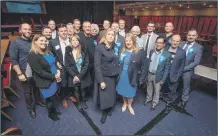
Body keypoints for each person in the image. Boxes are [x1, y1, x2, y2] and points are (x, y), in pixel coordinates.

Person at [9, 23, 44, 118]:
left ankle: (37, 101)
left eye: (29, 29)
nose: (28, 31)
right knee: (28, 92)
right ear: (20, 30)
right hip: (24, 70)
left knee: (36, 88)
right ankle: (31, 108)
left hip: (35, 70)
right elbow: (13, 59)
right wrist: (19, 73)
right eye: (25, 29)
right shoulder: (15, 42)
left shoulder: (33, 41)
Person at [28, 34, 62, 121]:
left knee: (53, 95)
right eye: (41, 40)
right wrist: (53, 76)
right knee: (49, 98)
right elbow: (39, 72)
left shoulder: (47, 51)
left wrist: (57, 70)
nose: (44, 42)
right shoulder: (33, 55)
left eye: (45, 41)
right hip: (45, 81)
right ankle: (51, 114)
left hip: (54, 78)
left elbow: (54, 62)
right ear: (35, 42)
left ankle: (54, 110)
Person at [116, 33, 148, 115]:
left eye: (130, 40)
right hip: (122, 75)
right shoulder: (122, 50)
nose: (128, 42)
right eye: (126, 41)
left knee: (130, 93)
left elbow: (144, 66)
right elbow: (119, 63)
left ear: (133, 41)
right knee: (123, 90)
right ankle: (125, 103)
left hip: (133, 76)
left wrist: (142, 78)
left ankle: (129, 105)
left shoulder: (139, 51)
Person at [93, 28, 120, 124]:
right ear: (105, 36)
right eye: (109, 34)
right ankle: (104, 111)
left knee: (111, 94)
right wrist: (101, 81)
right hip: (104, 76)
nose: (111, 36)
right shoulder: (99, 47)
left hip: (113, 75)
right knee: (104, 95)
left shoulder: (115, 46)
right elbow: (97, 65)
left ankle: (109, 108)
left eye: (113, 35)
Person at [48, 24, 77, 109]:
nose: (64, 32)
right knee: (63, 84)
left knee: (71, 82)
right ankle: (63, 98)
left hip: (71, 66)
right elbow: (50, 55)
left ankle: (70, 95)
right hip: (61, 66)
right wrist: (56, 62)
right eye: (61, 31)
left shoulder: (71, 40)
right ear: (58, 32)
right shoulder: (53, 42)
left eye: (65, 31)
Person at [65, 35, 92, 111]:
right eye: (73, 40)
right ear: (71, 41)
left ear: (79, 42)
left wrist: (80, 76)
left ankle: (83, 101)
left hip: (83, 74)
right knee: (76, 89)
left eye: (77, 40)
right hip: (73, 75)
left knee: (83, 89)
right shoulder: (68, 50)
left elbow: (86, 63)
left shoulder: (84, 49)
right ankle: (79, 102)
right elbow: (67, 65)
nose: (75, 42)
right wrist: (75, 76)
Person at [178, 29, 203, 109]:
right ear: (187, 35)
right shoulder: (181, 44)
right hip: (177, 68)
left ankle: (184, 100)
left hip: (187, 70)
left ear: (196, 36)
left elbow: (196, 62)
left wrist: (184, 69)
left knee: (186, 86)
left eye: (193, 35)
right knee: (174, 82)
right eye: (189, 35)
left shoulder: (199, 47)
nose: (191, 37)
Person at [144, 36, 171, 110]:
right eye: (157, 42)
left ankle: (154, 103)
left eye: (160, 43)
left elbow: (167, 69)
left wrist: (163, 79)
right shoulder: (152, 51)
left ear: (164, 44)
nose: (158, 44)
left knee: (157, 91)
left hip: (158, 76)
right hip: (149, 73)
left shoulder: (167, 55)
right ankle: (148, 99)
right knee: (149, 87)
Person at [165, 35, 186, 108]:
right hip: (164, 72)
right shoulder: (165, 48)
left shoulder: (182, 52)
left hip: (174, 74)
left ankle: (169, 101)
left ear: (179, 42)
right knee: (162, 87)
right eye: (173, 40)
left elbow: (182, 66)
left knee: (172, 89)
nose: (175, 42)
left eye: (177, 41)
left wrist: (177, 76)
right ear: (171, 40)